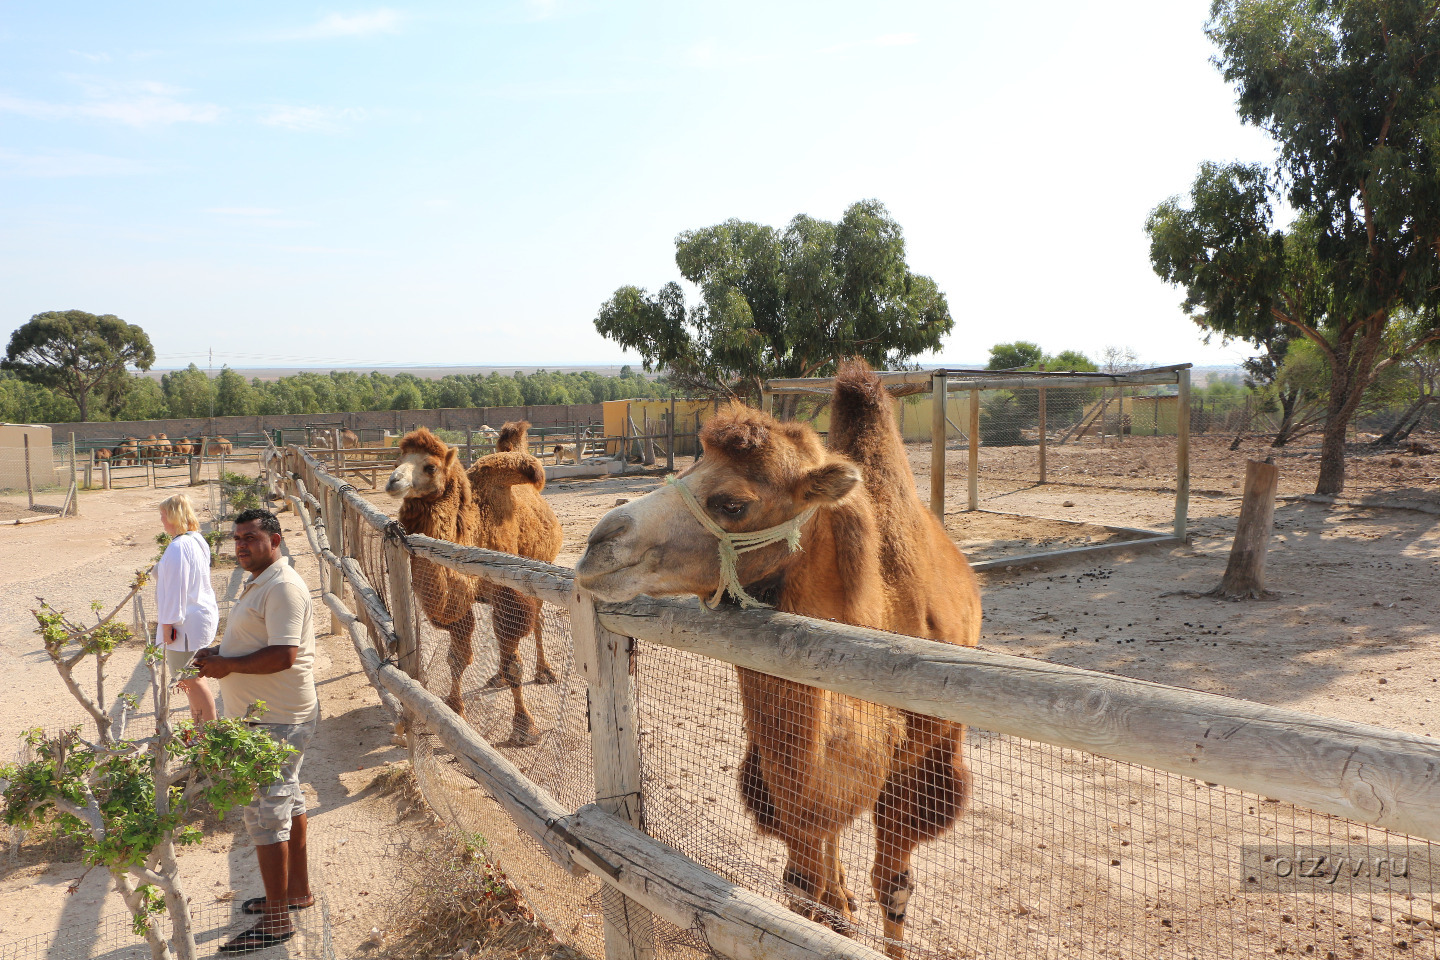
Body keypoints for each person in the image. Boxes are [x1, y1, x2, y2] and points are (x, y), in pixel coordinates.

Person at [194, 508, 319, 954]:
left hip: (276, 720)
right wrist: (221, 652)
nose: (241, 545)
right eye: (237, 539)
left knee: (266, 815)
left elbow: (284, 654)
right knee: (290, 800)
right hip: (268, 716)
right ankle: (293, 894)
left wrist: (226, 665)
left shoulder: (283, 587)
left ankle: (276, 921)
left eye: (250, 538)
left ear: (276, 540)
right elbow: (259, 641)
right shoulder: (263, 581)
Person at [154, 493, 218, 723]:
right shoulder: (196, 540)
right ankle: (200, 727)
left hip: (184, 623)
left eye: (163, 516)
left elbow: (175, 588)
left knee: (190, 678)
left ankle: (207, 734)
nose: (161, 521)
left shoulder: (178, 547)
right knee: (189, 677)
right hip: (199, 616)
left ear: (173, 516)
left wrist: (168, 625)